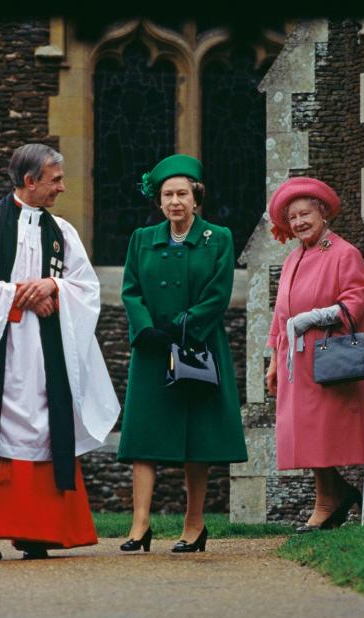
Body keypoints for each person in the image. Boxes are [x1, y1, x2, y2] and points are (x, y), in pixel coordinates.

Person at [0, 143, 120, 562]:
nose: (62, 188)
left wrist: (54, 287)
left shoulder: (63, 233)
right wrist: (20, 295)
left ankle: (37, 532)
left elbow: (86, 287)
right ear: (30, 180)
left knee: (43, 428)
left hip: (43, 354)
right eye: (54, 180)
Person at [117, 154, 247, 553]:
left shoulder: (218, 237)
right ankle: (140, 526)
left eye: (182, 194)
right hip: (152, 350)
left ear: (196, 197)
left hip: (198, 347)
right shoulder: (142, 240)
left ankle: (195, 523)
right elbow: (131, 289)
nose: (175, 201)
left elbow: (218, 293)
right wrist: (146, 329)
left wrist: (184, 325)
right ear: (159, 201)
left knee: (198, 437)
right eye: (167, 195)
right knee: (144, 436)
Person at [265, 177, 364, 533]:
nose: (298, 223)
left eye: (304, 214)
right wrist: (272, 360)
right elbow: (281, 314)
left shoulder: (344, 252)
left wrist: (316, 316)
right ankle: (332, 495)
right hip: (295, 360)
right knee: (307, 434)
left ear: (322, 213)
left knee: (321, 433)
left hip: (328, 355)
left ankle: (329, 499)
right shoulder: (294, 257)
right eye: (292, 218)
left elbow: (357, 299)